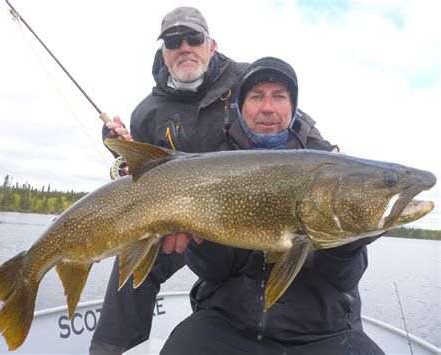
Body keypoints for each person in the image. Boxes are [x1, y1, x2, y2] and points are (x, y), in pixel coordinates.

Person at [90, 6, 334, 354]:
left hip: (238, 206)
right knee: (131, 266)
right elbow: (143, 175)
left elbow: (286, 116)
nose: (184, 47)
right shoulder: (147, 111)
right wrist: (122, 153)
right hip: (175, 213)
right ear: (163, 52)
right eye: (174, 41)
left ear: (211, 45)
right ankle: (111, 349)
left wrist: (325, 150)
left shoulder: (244, 79)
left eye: (194, 38)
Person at [159, 57, 384, 355]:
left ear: (293, 108)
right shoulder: (212, 166)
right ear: (242, 108)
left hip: (324, 330)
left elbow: (343, 279)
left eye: (279, 96)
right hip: (228, 322)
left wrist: (348, 245)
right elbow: (214, 273)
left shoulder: (329, 167)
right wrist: (199, 240)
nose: (268, 107)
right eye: (256, 96)